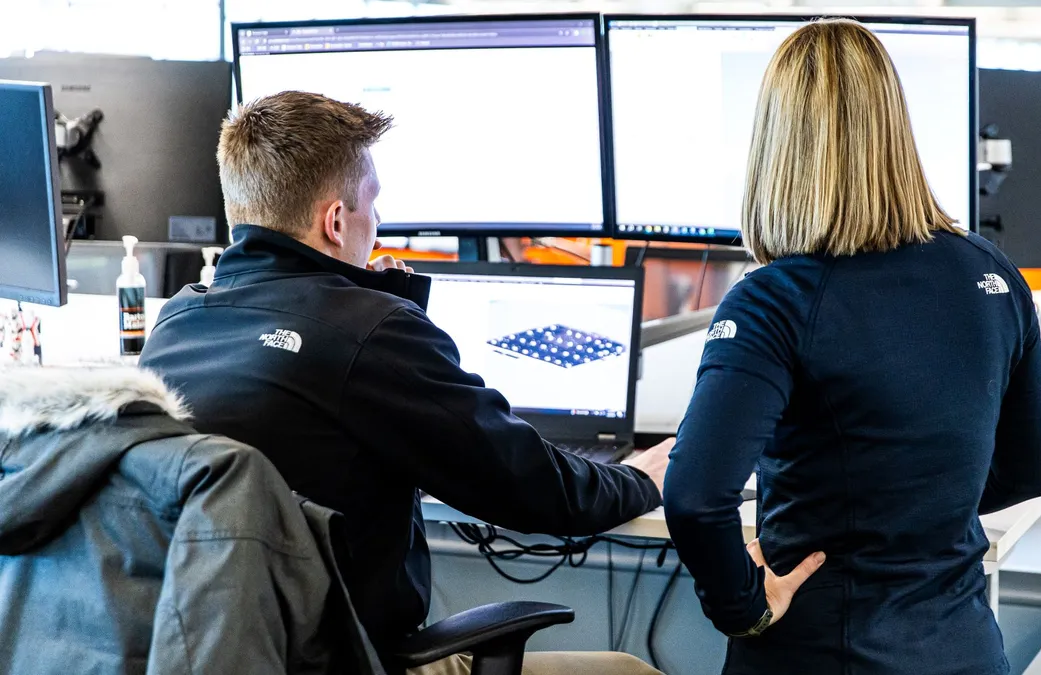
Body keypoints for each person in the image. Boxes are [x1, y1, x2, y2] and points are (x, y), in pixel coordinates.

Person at [139, 91, 670, 675]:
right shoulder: (368, 332)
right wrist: (636, 480)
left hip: (223, 651)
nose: (379, 222)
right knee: (629, 671)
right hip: (347, 660)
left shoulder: (178, 321)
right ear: (336, 221)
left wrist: (380, 308)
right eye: (373, 205)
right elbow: (533, 486)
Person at [662, 20, 1041, 675]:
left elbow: (695, 496)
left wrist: (742, 605)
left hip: (822, 651)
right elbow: (1029, 469)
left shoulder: (774, 299)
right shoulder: (990, 273)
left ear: (776, 146)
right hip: (966, 650)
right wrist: (913, 508)